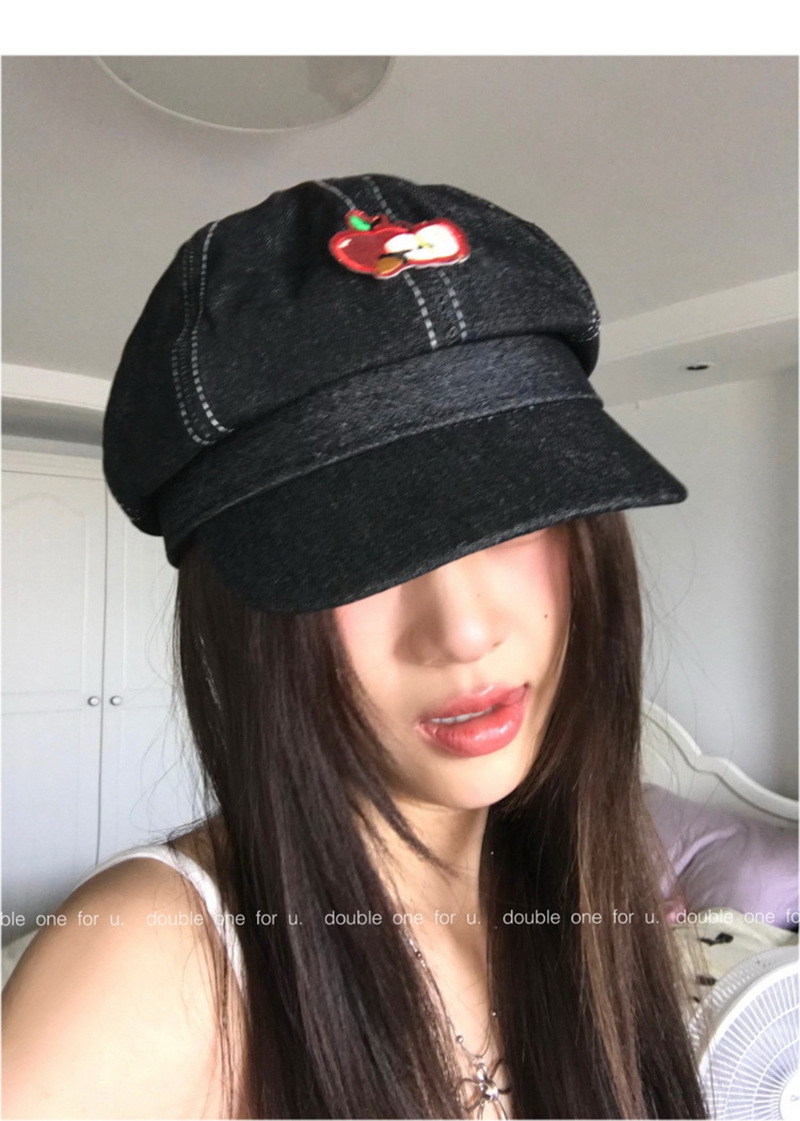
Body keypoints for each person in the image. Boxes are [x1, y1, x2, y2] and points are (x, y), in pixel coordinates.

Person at [2, 174, 710, 1119]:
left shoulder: (579, 903)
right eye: (362, 556)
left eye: (512, 519)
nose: (465, 632)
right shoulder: (148, 972)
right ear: (242, 615)